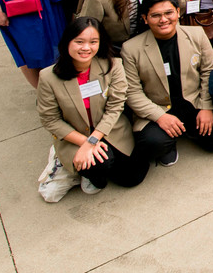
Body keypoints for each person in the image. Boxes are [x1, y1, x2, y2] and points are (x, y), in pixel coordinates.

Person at [121, 0, 213, 166]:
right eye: (155, 15)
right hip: (158, 107)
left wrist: (206, 107)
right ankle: (169, 140)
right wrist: (160, 116)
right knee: (153, 144)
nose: (163, 19)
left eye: (168, 13)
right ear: (145, 18)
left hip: (191, 101)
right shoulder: (130, 49)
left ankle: (186, 129)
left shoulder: (196, 35)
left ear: (178, 12)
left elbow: (209, 72)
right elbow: (132, 92)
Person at [37, 18, 147, 197]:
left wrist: (94, 140)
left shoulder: (113, 65)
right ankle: (72, 167)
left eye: (93, 42)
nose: (86, 48)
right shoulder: (48, 77)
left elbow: (115, 106)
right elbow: (50, 119)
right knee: (100, 167)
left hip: (109, 129)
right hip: (76, 134)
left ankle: (89, 164)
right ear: (67, 42)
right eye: (79, 42)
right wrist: (85, 143)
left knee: (132, 177)